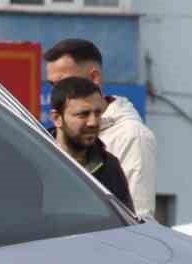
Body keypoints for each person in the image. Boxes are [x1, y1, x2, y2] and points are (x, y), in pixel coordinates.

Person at [44, 38, 158, 220]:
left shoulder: (131, 136)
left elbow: (137, 218)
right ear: (56, 118)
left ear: (95, 78)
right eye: (52, 85)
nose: (57, 92)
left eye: (65, 82)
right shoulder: (46, 137)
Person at [49, 76, 134, 212]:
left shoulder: (110, 166)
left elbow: (125, 224)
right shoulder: (36, 161)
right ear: (57, 118)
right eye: (83, 114)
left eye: (97, 113)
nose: (93, 122)